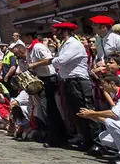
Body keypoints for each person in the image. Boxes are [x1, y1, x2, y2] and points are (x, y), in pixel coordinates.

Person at [29, 22, 99, 153]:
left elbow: (59, 61)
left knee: (87, 109)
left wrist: (53, 61)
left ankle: (96, 142)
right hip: (68, 80)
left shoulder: (73, 44)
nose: (55, 33)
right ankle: (86, 140)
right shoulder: (65, 45)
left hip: (78, 80)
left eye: (58, 30)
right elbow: (57, 60)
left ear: (65, 31)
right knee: (76, 112)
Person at [22, 31, 67, 148]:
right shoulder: (31, 48)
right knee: (46, 108)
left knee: (48, 108)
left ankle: (55, 137)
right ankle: (56, 135)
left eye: (24, 37)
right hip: (41, 78)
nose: (23, 40)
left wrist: (34, 65)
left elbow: (49, 59)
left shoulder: (38, 47)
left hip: (48, 79)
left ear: (29, 36)